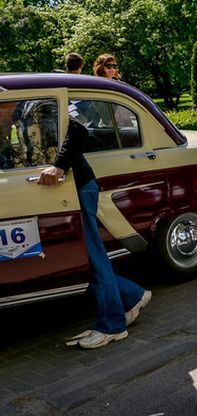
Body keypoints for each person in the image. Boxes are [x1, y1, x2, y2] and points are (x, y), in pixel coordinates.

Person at [37, 118, 151, 349]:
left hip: (76, 188)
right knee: (88, 258)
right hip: (71, 188)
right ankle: (132, 295)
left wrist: (59, 165)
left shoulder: (39, 103)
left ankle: (113, 326)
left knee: (92, 258)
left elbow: (79, 130)